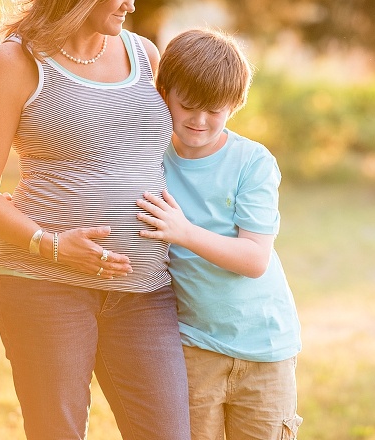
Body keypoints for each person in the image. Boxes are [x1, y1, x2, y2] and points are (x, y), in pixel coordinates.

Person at [0, 0, 190, 438]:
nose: (131, 4)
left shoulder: (146, 55)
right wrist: (54, 245)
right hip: (45, 288)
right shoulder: (15, 63)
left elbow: (181, 149)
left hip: (144, 290)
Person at [135, 28, 304, 440]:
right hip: (195, 347)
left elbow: (254, 258)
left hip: (264, 350)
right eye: (187, 106)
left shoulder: (252, 162)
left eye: (214, 110)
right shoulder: (149, 159)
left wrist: (184, 232)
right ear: (164, 93)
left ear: (235, 104)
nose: (199, 121)